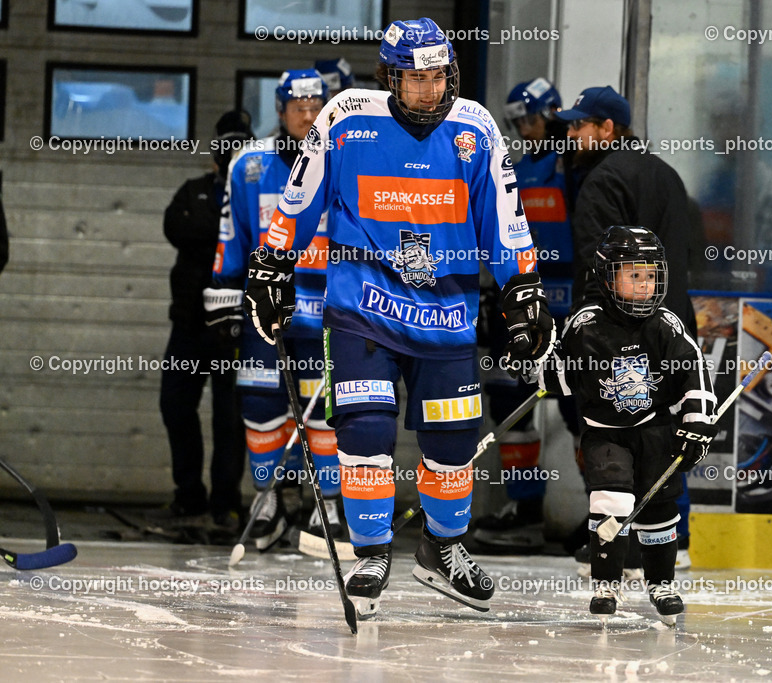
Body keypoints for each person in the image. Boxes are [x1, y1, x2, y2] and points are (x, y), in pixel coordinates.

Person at [241, 17, 554, 618]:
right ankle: (371, 553)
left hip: (448, 314)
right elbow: (298, 200)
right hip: (361, 309)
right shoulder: (344, 118)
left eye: (438, 77)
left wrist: (523, 288)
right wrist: (272, 265)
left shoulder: (475, 126)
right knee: (365, 431)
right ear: (390, 77)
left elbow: (506, 218)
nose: (429, 91)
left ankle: (443, 549)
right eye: (415, 79)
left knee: (453, 443)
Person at [539, 225, 717, 625]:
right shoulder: (586, 324)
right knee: (611, 502)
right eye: (634, 274)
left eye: (651, 275)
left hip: (655, 431)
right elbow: (560, 380)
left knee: (659, 506)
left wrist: (699, 423)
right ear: (607, 276)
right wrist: (536, 355)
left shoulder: (665, 324)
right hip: (605, 432)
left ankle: (661, 583)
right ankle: (606, 583)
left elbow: (693, 373)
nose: (644, 285)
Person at [558, 85, 700, 570]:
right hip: (673, 323)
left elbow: (597, 267)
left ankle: (620, 537)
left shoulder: (601, 180)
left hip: (622, 335)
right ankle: (671, 537)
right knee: (665, 431)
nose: (571, 135)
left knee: (614, 430)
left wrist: (586, 336)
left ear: (607, 129)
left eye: (579, 126)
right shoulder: (667, 173)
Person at [205, 70, 345, 557]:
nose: (307, 116)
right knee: (262, 410)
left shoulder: (345, 157)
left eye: (315, 107)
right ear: (281, 110)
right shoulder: (249, 164)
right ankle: (271, 501)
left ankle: (328, 506)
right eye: (298, 108)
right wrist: (224, 294)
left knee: (325, 416)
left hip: (327, 313)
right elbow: (231, 233)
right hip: (265, 312)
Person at [473, 77, 580, 552]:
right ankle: (526, 506)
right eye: (517, 122)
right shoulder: (513, 170)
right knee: (507, 400)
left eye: (531, 119)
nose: (525, 129)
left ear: (553, 114)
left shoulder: (573, 168)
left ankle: (603, 511)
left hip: (571, 304)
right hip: (519, 302)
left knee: (582, 407)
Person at [158, 110, 252, 527]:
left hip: (235, 327)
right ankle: (189, 494)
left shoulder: (256, 194)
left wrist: (216, 233)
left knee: (229, 418)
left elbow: (250, 240)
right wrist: (220, 234)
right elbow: (176, 228)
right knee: (175, 405)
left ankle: (225, 501)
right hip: (190, 323)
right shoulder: (192, 190)